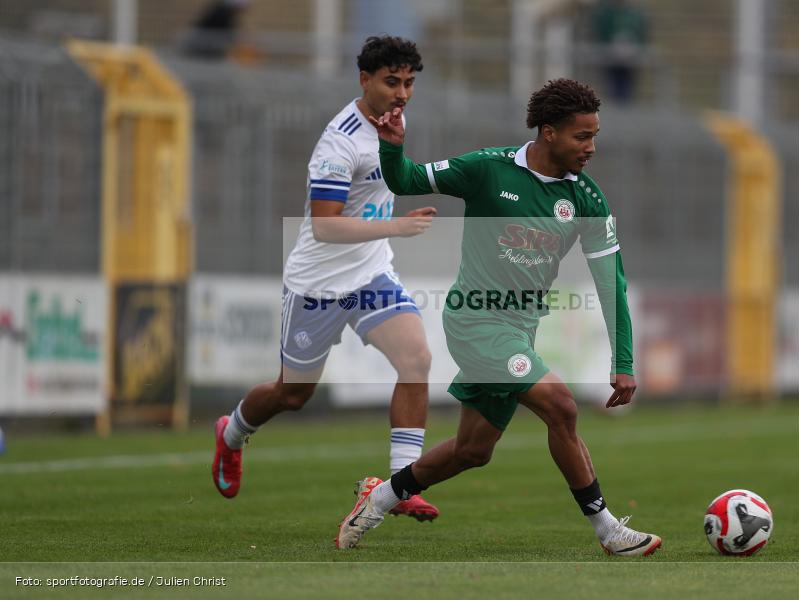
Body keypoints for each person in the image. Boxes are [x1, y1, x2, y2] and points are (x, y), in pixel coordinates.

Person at [335, 78, 661, 556]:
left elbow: (611, 283)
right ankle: (608, 530)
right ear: (549, 132)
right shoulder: (487, 169)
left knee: (473, 451)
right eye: (582, 136)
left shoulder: (587, 200)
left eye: (595, 135)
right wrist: (391, 146)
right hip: (475, 322)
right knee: (562, 408)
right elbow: (404, 180)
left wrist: (625, 360)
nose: (592, 147)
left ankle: (378, 498)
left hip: (519, 331)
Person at [212, 36, 440, 521]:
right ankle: (230, 434)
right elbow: (325, 225)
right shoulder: (339, 142)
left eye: (409, 83)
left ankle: (402, 485)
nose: (402, 94)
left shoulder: (394, 122)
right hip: (318, 283)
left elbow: (388, 181)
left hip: (371, 272)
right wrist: (398, 225)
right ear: (364, 79)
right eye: (391, 82)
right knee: (292, 394)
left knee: (417, 358)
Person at [593, 0, 649, 104]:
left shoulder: (635, 13)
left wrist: (633, 46)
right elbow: (601, 30)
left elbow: (641, 31)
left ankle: (626, 109)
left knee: (627, 88)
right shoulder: (607, 13)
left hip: (630, 57)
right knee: (612, 86)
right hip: (610, 56)